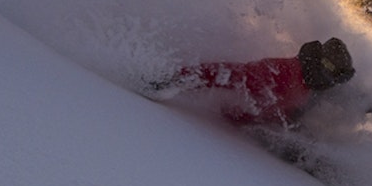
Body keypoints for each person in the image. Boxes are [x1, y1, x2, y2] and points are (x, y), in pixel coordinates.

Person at [151, 38, 355, 126]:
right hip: (225, 133)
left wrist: (369, 104)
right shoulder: (281, 74)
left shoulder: (310, 86)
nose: (332, 82)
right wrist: (175, 79)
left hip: (260, 126)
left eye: (338, 78)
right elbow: (225, 74)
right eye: (331, 73)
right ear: (321, 63)